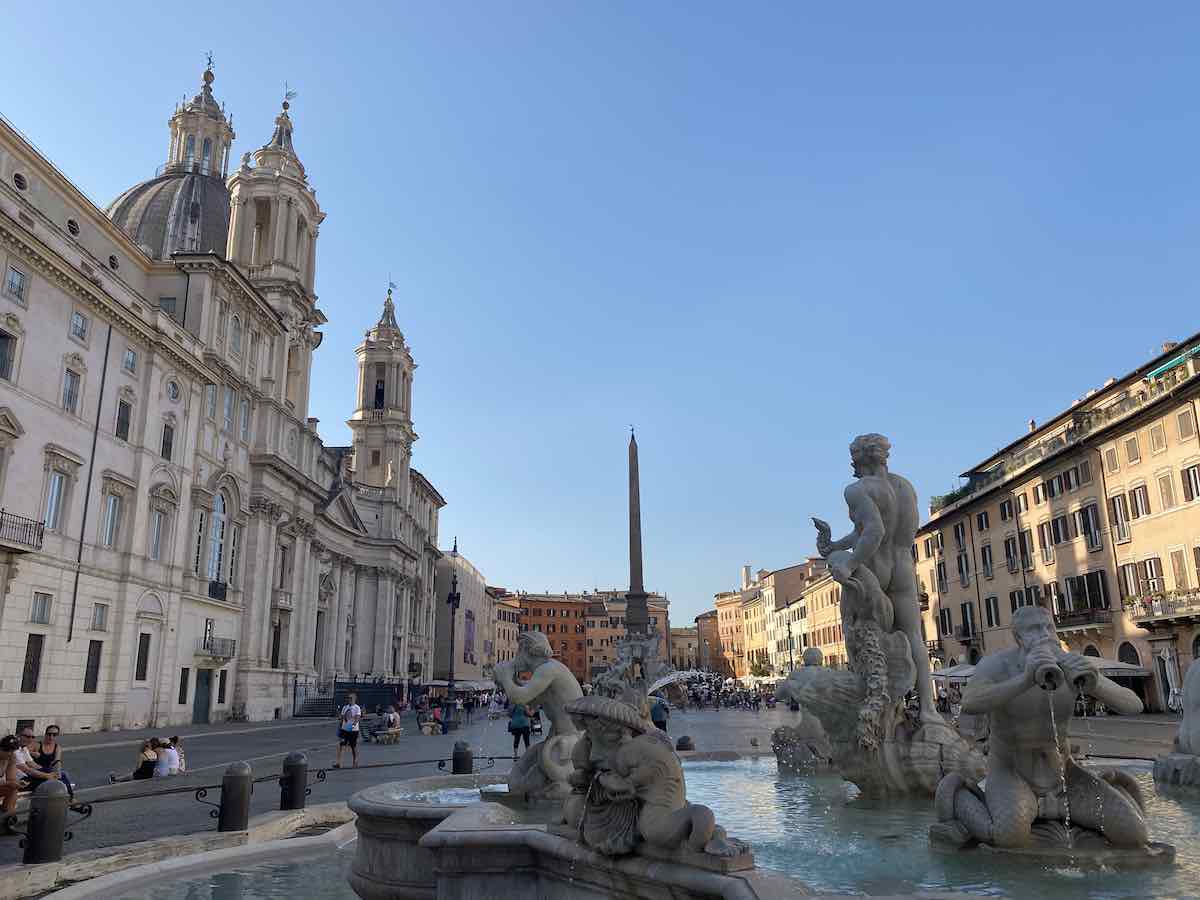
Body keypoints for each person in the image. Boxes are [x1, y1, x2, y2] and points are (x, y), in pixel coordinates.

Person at [32, 725, 74, 800]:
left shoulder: (57, 747)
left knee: (62, 774)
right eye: (49, 734)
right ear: (45, 734)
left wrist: (58, 772)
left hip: (50, 772)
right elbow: (23, 752)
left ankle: (68, 798)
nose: (51, 737)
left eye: (54, 735)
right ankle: (71, 799)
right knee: (63, 775)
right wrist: (32, 753)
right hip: (38, 772)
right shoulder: (37, 745)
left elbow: (57, 761)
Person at [335, 692, 362, 768]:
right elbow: (342, 718)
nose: (349, 699)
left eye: (351, 698)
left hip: (353, 730)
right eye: (348, 698)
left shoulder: (357, 708)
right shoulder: (345, 707)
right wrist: (340, 727)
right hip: (344, 729)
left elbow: (357, 718)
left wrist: (352, 725)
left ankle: (355, 761)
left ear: (354, 699)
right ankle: (339, 763)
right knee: (342, 745)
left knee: (353, 746)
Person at [0, 735, 20, 814]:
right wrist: (8, 783)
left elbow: (11, 779)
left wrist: (17, 783)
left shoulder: (11, 757)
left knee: (13, 789)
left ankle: (6, 816)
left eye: (13, 750)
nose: (10, 753)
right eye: (7, 750)